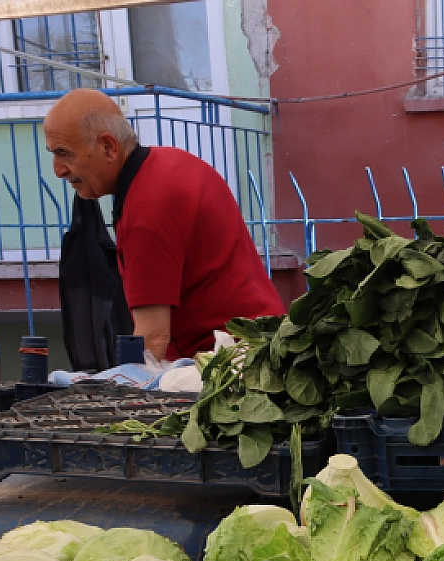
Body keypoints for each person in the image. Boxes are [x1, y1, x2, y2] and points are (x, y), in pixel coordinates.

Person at [43, 88, 283, 363]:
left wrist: (126, 385)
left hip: (230, 363)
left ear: (109, 147)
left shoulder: (146, 208)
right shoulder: (172, 162)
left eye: (64, 153)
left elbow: (153, 338)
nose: (58, 170)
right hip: (263, 345)